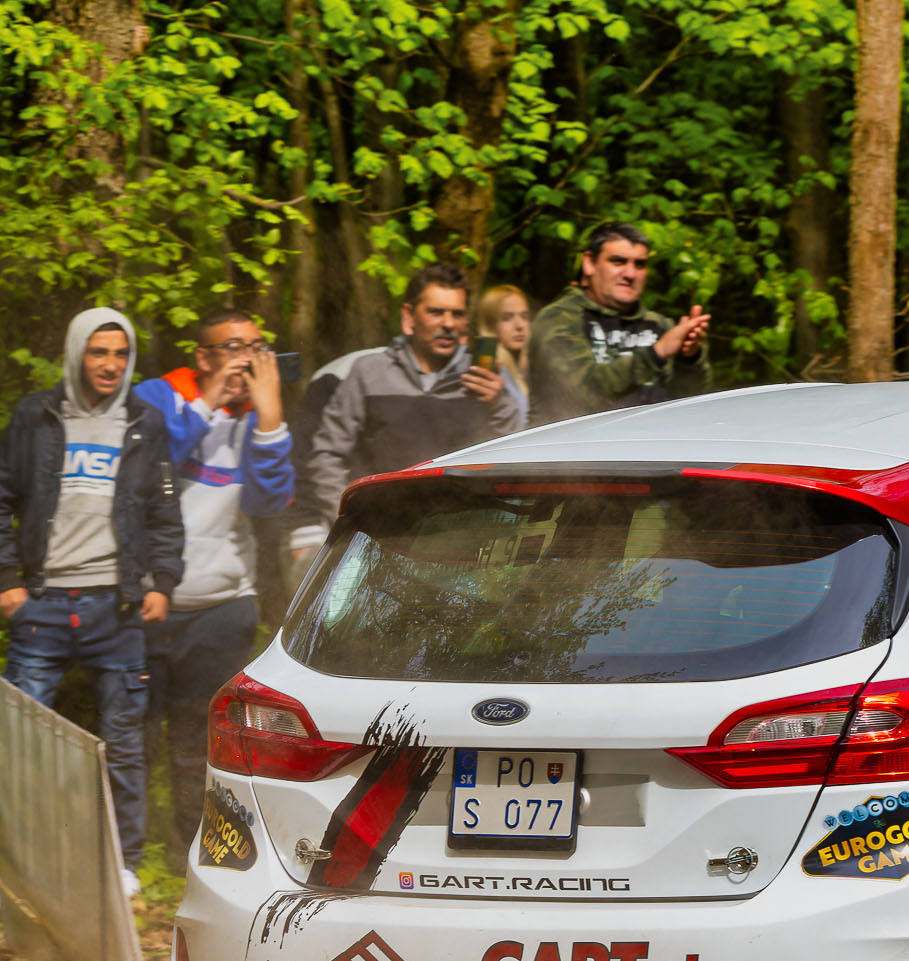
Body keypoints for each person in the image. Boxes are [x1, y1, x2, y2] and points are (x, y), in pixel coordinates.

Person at [0, 308, 183, 899]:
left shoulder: (144, 421)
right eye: (98, 352)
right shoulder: (36, 415)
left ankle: (123, 864)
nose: (110, 364)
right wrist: (7, 579)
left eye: (120, 354)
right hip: (42, 604)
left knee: (124, 742)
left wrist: (162, 583)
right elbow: (1, 496)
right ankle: (20, 866)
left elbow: (164, 511)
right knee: (20, 741)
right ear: (77, 351)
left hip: (117, 607)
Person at [132, 309, 295, 854]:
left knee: (199, 738)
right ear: (203, 357)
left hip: (222, 603)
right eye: (234, 347)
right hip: (145, 598)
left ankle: (194, 849)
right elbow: (145, 468)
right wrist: (206, 404)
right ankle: (126, 849)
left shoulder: (258, 420)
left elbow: (269, 502)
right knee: (134, 732)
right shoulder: (159, 396)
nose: (247, 359)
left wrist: (270, 419)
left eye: (257, 347)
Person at [299, 262, 522, 527]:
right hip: (379, 532)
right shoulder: (368, 373)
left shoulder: (484, 378)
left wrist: (498, 404)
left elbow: (516, 455)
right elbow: (327, 454)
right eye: (436, 312)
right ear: (408, 317)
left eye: (457, 314)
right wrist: (348, 519)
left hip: (462, 532)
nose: (448, 324)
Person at [529, 222, 713, 426]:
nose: (630, 274)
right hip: (572, 445)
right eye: (618, 261)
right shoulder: (558, 319)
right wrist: (656, 354)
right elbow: (579, 398)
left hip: (653, 443)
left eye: (640, 264)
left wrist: (688, 359)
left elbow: (691, 405)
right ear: (589, 263)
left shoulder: (659, 324)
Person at [476, 283, 533, 427]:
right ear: (490, 325)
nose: (519, 325)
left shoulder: (528, 368)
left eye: (524, 316)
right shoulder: (490, 370)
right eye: (507, 318)